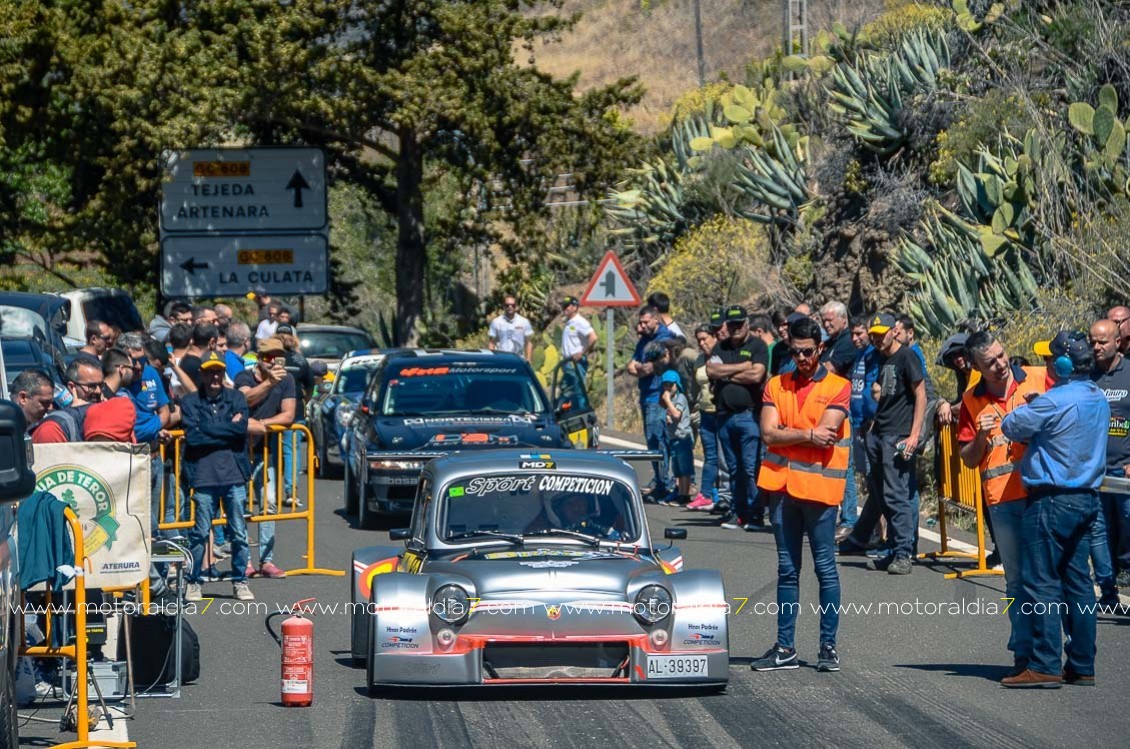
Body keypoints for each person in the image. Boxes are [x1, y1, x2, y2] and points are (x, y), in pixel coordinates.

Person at [999, 332, 1108, 688]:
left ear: (1061, 365)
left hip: (1051, 500)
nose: (1045, 363)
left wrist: (1033, 405)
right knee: (1077, 582)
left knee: (1041, 581)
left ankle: (1044, 663)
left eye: (1050, 358)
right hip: (1086, 499)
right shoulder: (1097, 396)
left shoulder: (1054, 400)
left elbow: (1011, 425)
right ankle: (1082, 664)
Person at [752, 316, 850, 673]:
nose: (802, 359)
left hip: (821, 491)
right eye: (795, 352)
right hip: (781, 489)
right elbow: (767, 433)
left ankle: (828, 646)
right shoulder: (776, 385)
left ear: (820, 348)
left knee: (825, 569)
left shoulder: (839, 386)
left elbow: (829, 431)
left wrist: (789, 432)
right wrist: (807, 436)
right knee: (787, 569)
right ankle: (785, 647)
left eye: (807, 352)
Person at [957, 331, 1048, 676]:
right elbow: (967, 458)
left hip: (1041, 493)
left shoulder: (1038, 377)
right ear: (976, 367)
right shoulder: (971, 399)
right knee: (1015, 582)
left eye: (1001, 355)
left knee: (1046, 576)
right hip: (1003, 501)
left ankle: (1052, 650)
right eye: (990, 362)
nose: (1000, 364)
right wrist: (980, 435)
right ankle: (1023, 653)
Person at [839, 313, 925, 575]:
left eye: (881, 333)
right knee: (881, 494)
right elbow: (880, 392)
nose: (876, 338)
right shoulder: (880, 357)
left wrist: (913, 435)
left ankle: (903, 553)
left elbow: (920, 394)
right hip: (877, 433)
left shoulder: (906, 356)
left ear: (894, 331)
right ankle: (891, 549)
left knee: (897, 494)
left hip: (897, 435)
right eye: (873, 334)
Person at [181, 352, 254, 602]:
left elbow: (240, 430)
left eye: (218, 372)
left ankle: (239, 580)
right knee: (200, 533)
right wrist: (226, 428)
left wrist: (209, 429)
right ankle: (193, 581)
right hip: (203, 477)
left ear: (223, 373)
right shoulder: (190, 402)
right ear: (201, 374)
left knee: (239, 534)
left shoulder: (236, 397)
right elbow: (193, 437)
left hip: (234, 476)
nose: (215, 377)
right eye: (210, 372)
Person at [233, 338, 295, 579]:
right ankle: (244, 560)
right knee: (239, 505)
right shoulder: (244, 377)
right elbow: (244, 400)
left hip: (266, 451)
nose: (274, 362)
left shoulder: (287, 379)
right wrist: (269, 383)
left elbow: (288, 415)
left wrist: (260, 425)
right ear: (259, 359)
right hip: (239, 451)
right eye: (269, 357)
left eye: (278, 357)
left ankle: (267, 560)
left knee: (267, 503)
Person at [707, 305, 770, 530]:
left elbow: (756, 375)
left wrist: (727, 372)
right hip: (724, 416)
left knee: (751, 467)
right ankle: (738, 513)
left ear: (747, 324)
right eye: (731, 324)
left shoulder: (758, 346)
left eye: (739, 324)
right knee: (733, 468)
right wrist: (741, 367)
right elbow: (711, 371)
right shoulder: (720, 346)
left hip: (749, 416)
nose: (735, 328)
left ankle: (755, 514)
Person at [1090, 318, 1130, 591]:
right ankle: (1107, 583)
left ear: (1118, 342)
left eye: (1102, 342)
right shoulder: (1087, 375)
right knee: (1100, 529)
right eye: (1092, 342)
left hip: (1124, 469)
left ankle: (1126, 568)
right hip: (1095, 470)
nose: (1096, 347)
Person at [627, 306, 675, 502]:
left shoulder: (665, 339)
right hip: (645, 394)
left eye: (646, 322)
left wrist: (642, 368)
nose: (642, 325)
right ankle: (660, 482)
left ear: (656, 319)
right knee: (651, 442)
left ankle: (666, 483)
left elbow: (654, 366)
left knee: (659, 439)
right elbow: (632, 366)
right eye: (641, 322)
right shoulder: (644, 341)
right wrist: (640, 367)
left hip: (658, 395)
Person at [838, 320, 879, 538]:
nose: (855, 338)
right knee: (868, 480)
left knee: (876, 482)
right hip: (857, 424)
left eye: (859, 333)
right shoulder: (860, 355)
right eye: (852, 334)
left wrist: (871, 419)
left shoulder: (874, 354)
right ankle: (873, 533)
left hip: (870, 425)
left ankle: (881, 536)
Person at [688, 325, 723, 511]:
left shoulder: (723, 356)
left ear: (714, 337)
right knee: (710, 454)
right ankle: (707, 494)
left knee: (724, 456)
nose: (702, 343)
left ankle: (721, 494)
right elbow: (695, 388)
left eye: (705, 339)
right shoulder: (699, 360)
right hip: (705, 411)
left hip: (722, 411)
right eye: (699, 340)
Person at [31, 359, 104, 443]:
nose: (98, 391)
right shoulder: (56, 426)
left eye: (101, 385)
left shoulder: (109, 412)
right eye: (92, 386)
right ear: (72, 387)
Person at [660, 370, 694, 504]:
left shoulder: (680, 398)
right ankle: (680, 491)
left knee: (685, 468)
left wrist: (667, 401)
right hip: (674, 438)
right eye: (665, 385)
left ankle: (685, 494)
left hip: (683, 437)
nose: (667, 388)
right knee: (677, 468)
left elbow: (677, 415)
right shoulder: (673, 400)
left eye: (670, 385)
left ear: (677, 385)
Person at [488, 294, 535, 360]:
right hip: (501, 359)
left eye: (513, 305)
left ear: (516, 306)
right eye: (507, 305)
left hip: (519, 360)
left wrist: (528, 359)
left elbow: (528, 342)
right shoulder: (496, 322)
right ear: (503, 306)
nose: (510, 307)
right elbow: (491, 343)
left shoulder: (524, 322)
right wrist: (491, 360)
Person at [560, 296, 597, 380]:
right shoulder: (569, 323)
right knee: (570, 390)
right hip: (567, 362)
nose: (564, 309)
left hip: (576, 362)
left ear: (575, 307)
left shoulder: (580, 322)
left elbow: (593, 337)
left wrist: (582, 353)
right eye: (563, 306)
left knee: (577, 389)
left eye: (566, 306)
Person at [818, 301, 855, 376]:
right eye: (823, 321)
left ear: (844, 318)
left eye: (830, 320)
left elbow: (830, 369)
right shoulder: (830, 342)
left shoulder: (849, 340)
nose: (826, 325)